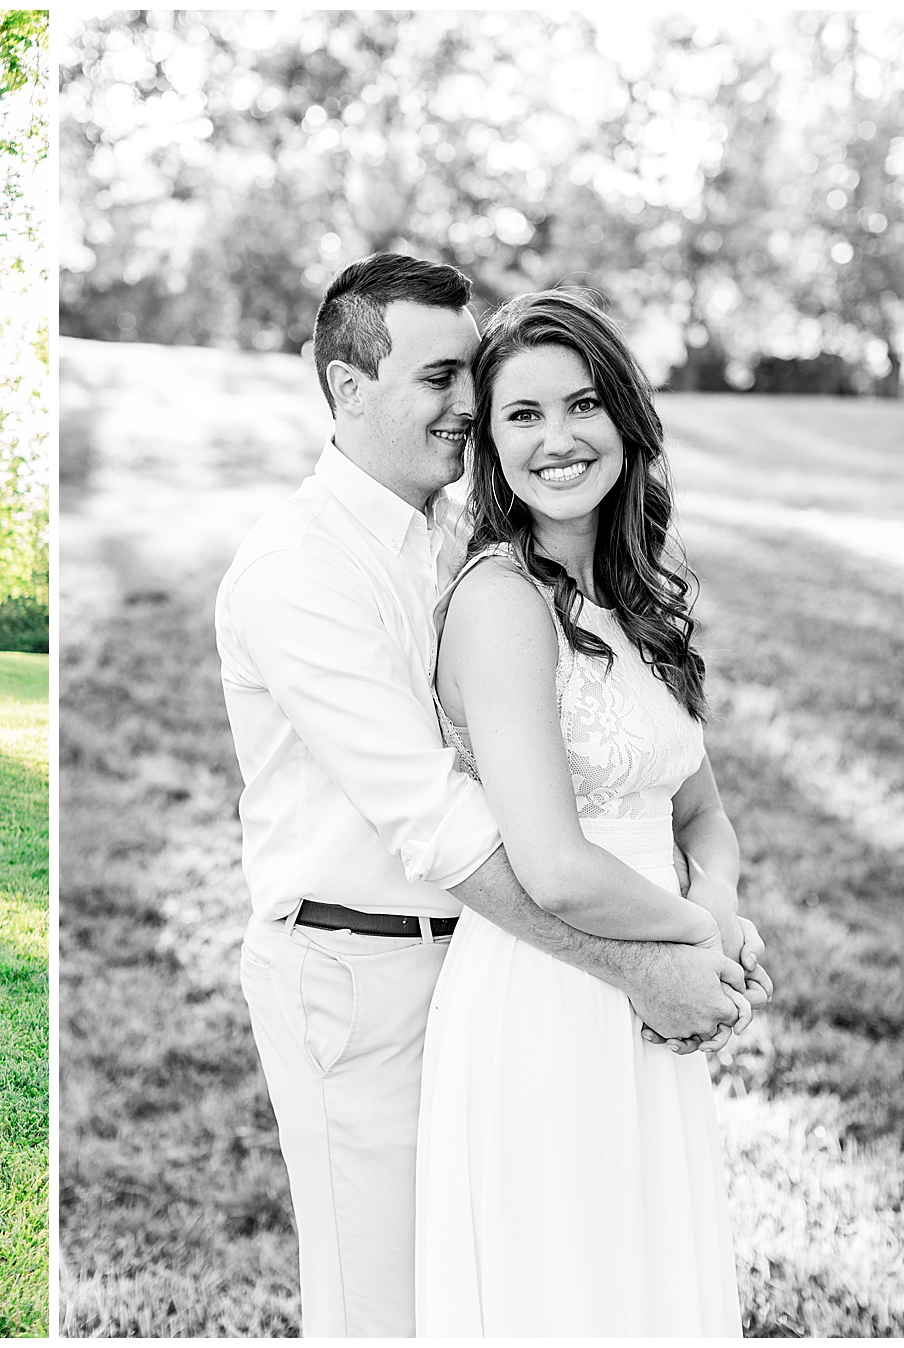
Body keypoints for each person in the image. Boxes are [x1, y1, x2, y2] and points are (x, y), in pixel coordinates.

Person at [214, 252, 768, 1336]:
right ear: (347, 388)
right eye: (441, 379)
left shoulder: (453, 540)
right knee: (386, 1312)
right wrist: (666, 955)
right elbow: (447, 826)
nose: (469, 407)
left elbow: (685, 796)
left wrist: (687, 934)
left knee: (543, 1282)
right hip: (362, 967)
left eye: (474, 376)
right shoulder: (299, 572)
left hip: (493, 954)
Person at [416, 288, 758, 1335]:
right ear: (492, 444)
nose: (556, 439)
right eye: (521, 415)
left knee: (647, 1280)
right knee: (568, 1287)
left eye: (581, 405)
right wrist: (698, 941)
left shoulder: (636, 598)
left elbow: (699, 811)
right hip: (550, 993)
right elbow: (555, 863)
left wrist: (727, 910)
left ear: (625, 420)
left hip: (650, 979)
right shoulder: (499, 602)